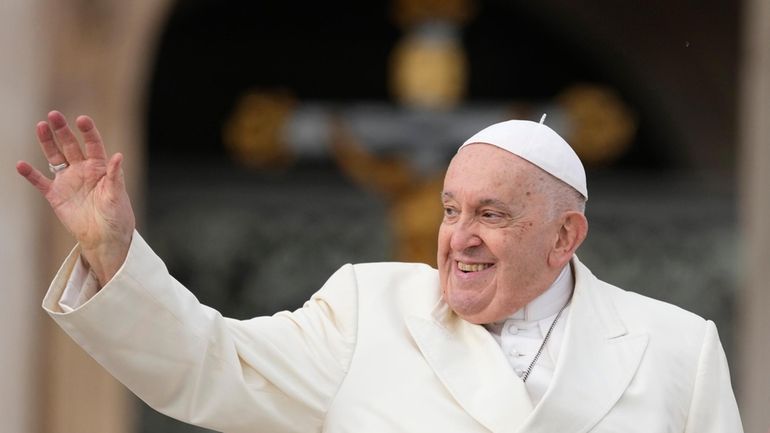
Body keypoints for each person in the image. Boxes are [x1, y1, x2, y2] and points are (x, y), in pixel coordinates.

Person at [17, 111, 743, 433]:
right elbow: (210, 362)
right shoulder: (369, 308)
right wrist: (113, 250)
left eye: (491, 213)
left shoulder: (677, 346)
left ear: (565, 235)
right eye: (451, 209)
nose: (458, 237)